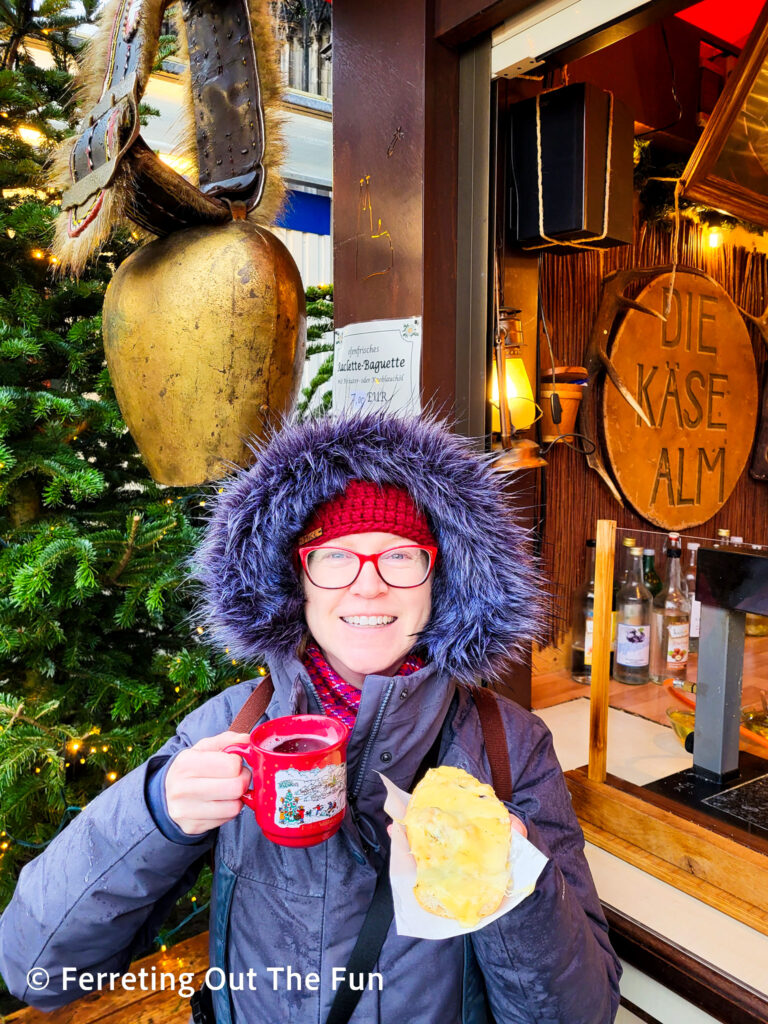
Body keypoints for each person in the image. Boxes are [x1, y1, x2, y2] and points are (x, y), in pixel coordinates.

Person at [0, 413, 621, 1023]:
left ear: (444, 578)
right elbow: (35, 969)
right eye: (334, 558)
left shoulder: (509, 746)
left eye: (402, 557)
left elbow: (583, 1013)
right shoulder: (232, 727)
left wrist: (517, 877)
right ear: (298, 577)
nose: (369, 587)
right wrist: (155, 812)